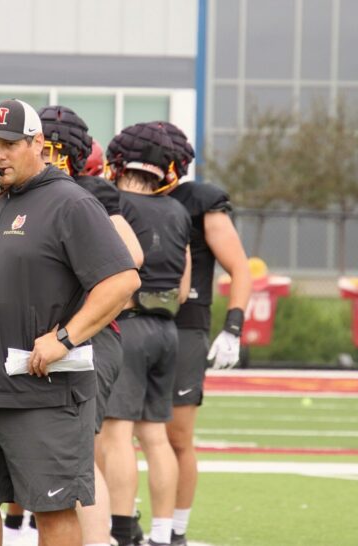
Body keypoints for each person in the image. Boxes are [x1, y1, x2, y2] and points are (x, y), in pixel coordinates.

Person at [0, 99, 141, 546]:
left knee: (52, 510)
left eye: (10, 145)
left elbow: (121, 281)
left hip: (41, 390)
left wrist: (65, 337)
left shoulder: (71, 202)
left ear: (39, 144)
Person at [37, 104, 145, 546]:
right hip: (51, 340)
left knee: (76, 456)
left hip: (84, 339)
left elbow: (130, 260)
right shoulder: (37, 193)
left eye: (49, 148)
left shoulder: (88, 195)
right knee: (57, 454)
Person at [158, 122, 251, 546]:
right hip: (131, 320)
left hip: (184, 323)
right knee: (118, 431)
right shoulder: (120, 193)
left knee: (177, 436)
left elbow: (240, 268)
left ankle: (175, 529)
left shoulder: (201, 201)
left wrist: (233, 326)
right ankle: (124, 520)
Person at [100, 122, 192, 546]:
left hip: (130, 325)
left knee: (116, 432)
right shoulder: (177, 210)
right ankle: (164, 532)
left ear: (118, 163)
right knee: (155, 435)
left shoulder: (115, 202)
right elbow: (185, 284)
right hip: (167, 328)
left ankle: (120, 528)